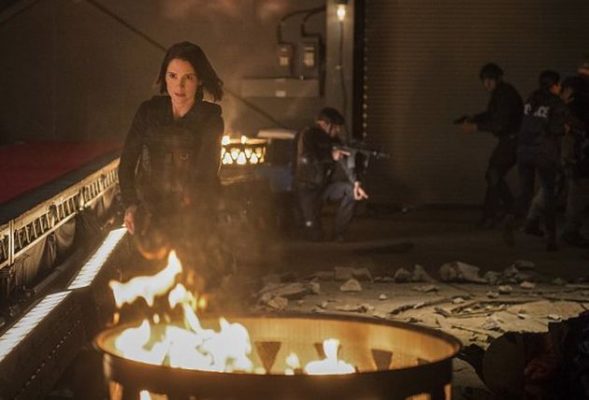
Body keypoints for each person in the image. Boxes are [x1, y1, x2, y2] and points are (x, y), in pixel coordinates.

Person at [118, 41, 228, 288]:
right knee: (147, 289)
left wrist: (188, 221)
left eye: (188, 77)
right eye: (173, 76)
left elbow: (205, 175)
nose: (179, 86)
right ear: (164, 77)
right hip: (149, 214)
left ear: (199, 80)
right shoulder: (148, 112)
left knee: (192, 288)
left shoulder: (210, 119)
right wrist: (131, 204)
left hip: (193, 217)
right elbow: (127, 164)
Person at [508, 70, 569, 251]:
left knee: (525, 192)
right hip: (543, 153)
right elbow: (556, 128)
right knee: (549, 194)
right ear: (555, 85)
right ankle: (551, 238)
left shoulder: (531, 98)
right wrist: (565, 129)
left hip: (524, 151)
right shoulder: (555, 102)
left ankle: (510, 220)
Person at [459, 63, 524, 228]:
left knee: (493, 174)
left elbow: (499, 123)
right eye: (484, 80)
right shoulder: (501, 93)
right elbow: (492, 115)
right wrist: (474, 118)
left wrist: (476, 126)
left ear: (498, 79)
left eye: (490, 79)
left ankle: (491, 216)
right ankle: (511, 209)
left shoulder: (505, 94)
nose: (487, 83)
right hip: (512, 140)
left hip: (513, 140)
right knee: (494, 174)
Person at [294, 107, 368, 241]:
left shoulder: (334, 140)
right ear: (325, 124)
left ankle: (339, 233)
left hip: (324, 187)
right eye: (335, 127)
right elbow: (306, 158)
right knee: (314, 236)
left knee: (351, 191)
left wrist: (356, 182)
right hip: (308, 189)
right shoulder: (308, 135)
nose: (338, 130)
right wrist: (330, 155)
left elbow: (346, 162)